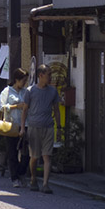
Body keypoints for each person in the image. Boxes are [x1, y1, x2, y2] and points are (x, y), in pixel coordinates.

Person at [20, 64, 60, 193]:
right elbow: (25, 110)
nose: (50, 77)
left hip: (48, 126)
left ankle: (45, 184)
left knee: (47, 156)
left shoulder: (53, 91)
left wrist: (59, 127)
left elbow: (57, 110)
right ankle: (33, 178)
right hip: (33, 126)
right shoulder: (30, 91)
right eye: (48, 74)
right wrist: (22, 128)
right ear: (41, 76)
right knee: (35, 156)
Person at [0, 67, 29, 188]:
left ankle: (21, 172)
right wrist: (16, 106)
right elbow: (1, 107)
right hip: (11, 125)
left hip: (25, 124)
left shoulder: (26, 92)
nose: (24, 83)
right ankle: (14, 177)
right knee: (12, 152)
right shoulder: (7, 91)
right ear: (16, 79)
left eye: (25, 81)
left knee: (27, 152)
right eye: (23, 80)